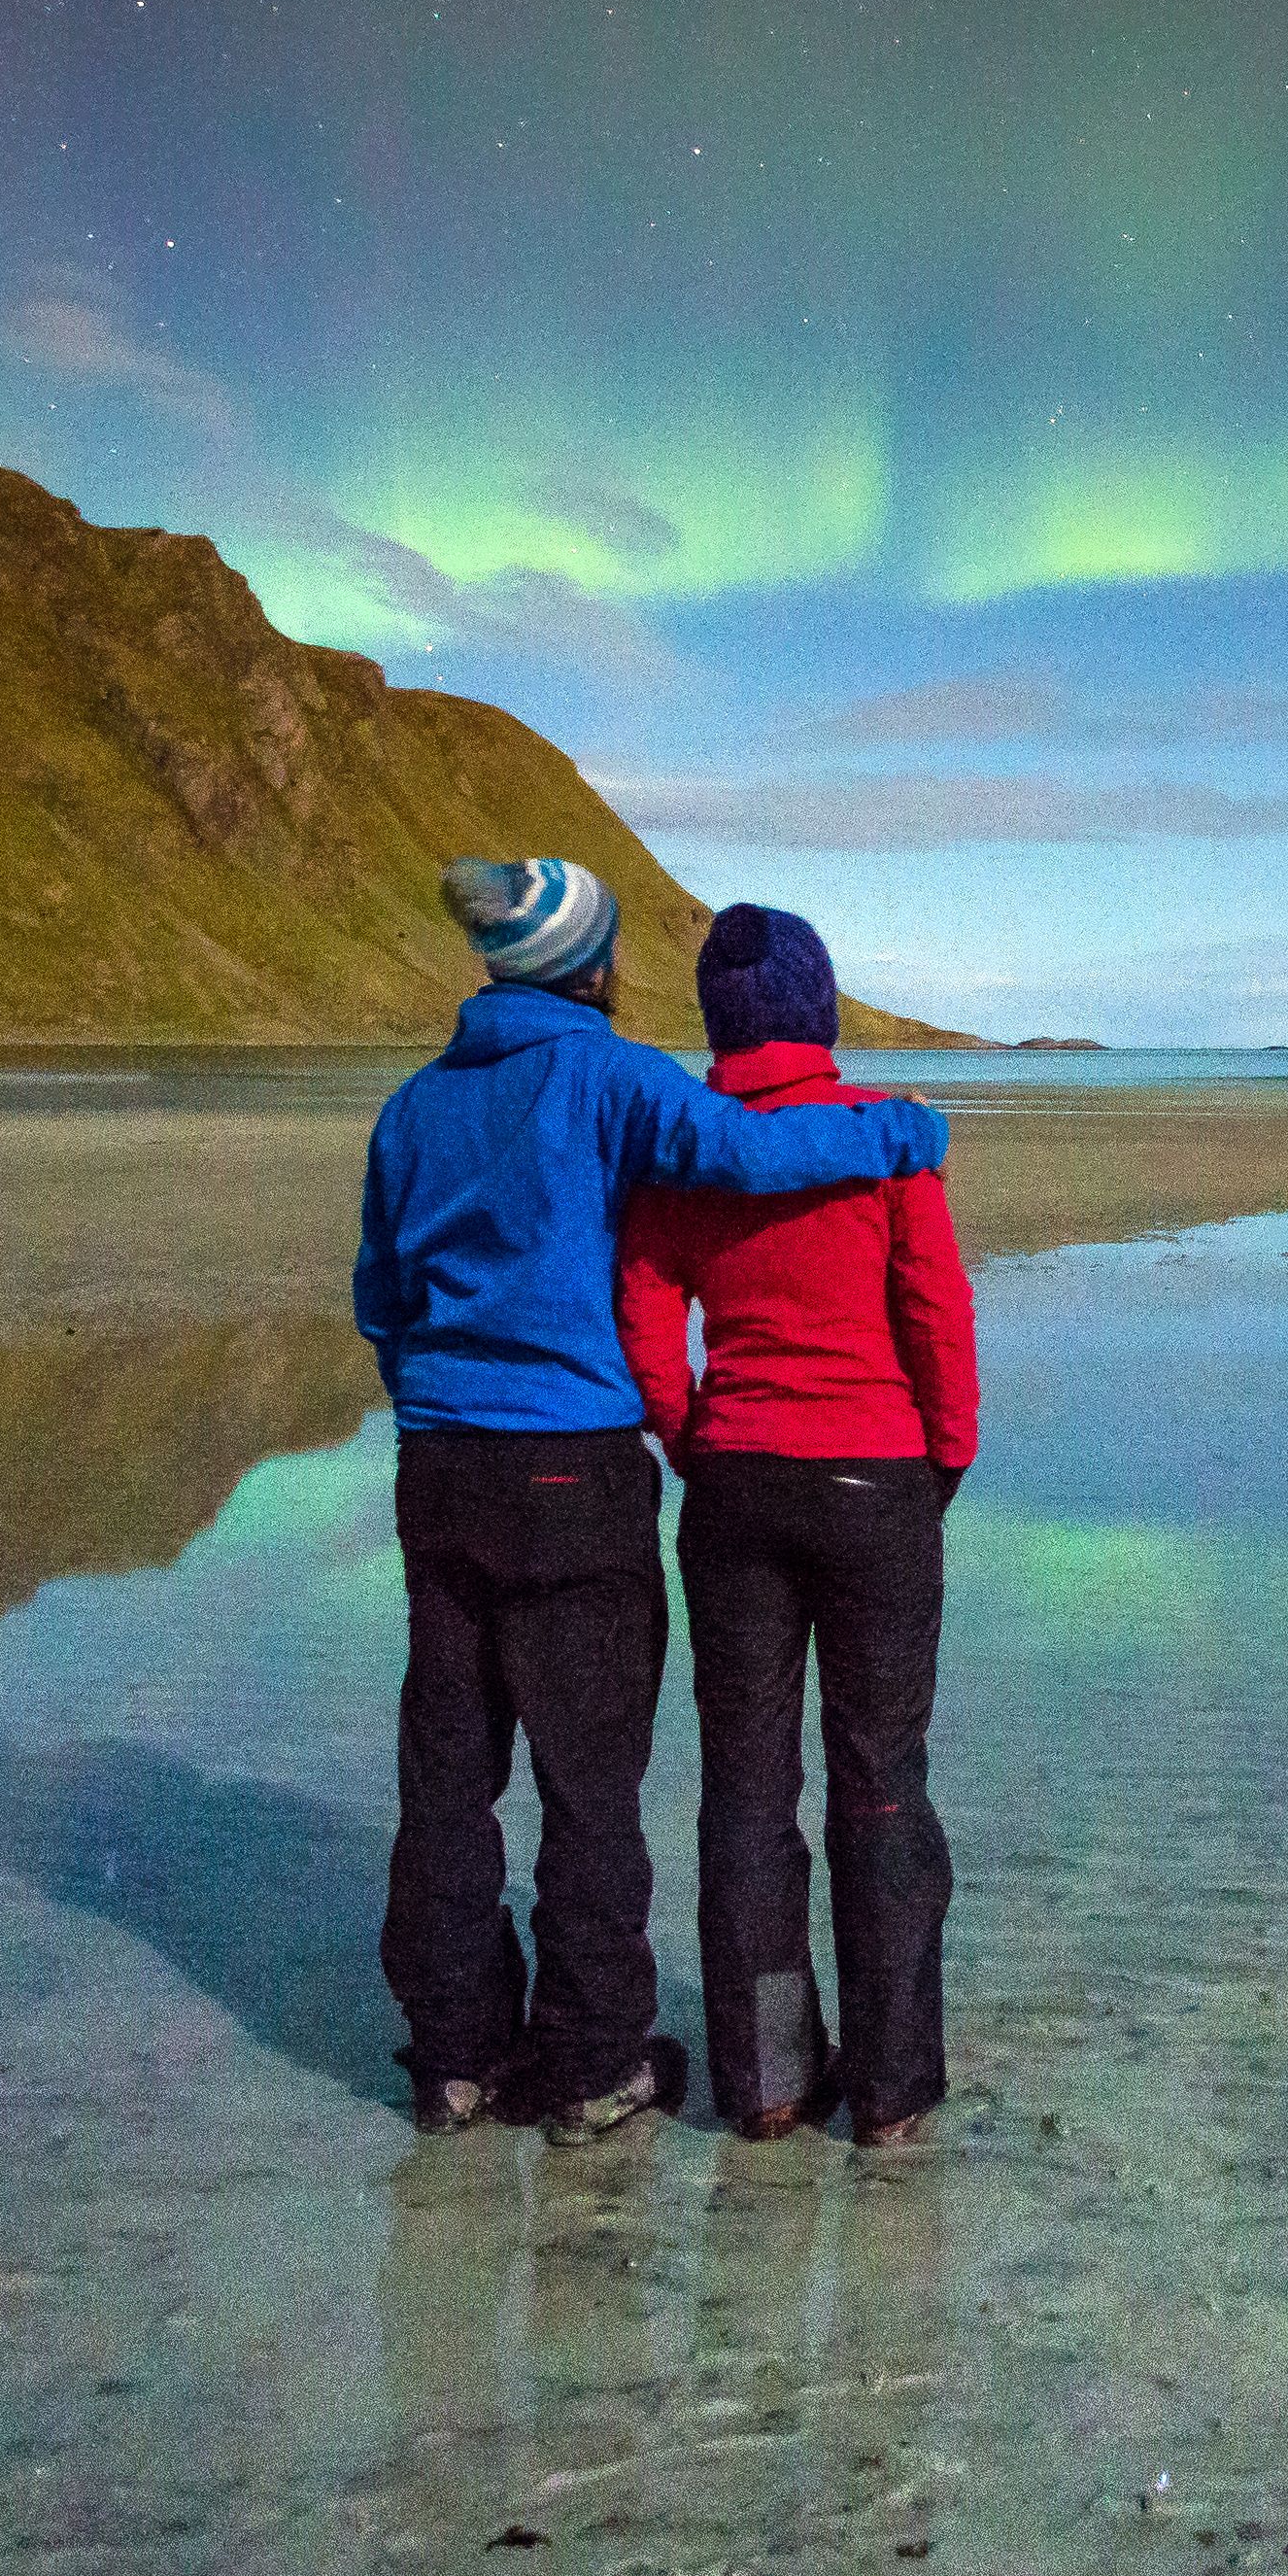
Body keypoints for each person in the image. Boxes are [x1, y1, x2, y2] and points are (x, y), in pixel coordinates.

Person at [356, 857, 951, 2146]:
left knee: (449, 1773)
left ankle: (466, 2062)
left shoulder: (409, 1107)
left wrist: (463, 1400)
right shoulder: (612, 1078)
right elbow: (749, 1149)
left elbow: (382, 1303)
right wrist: (903, 1129)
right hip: (578, 1466)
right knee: (591, 1781)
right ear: (592, 963)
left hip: (444, 1465)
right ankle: (593, 2069)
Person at [615, 902, 975, 2147]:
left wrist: (688, 1430)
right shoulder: (880, 1139)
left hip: (737, 1486)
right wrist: (948, 1450)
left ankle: (767, 2085)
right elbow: (935, 1309)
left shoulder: (687, 1150)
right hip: (875, 1478)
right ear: (817, 1007)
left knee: (748, 1791)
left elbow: (645, 1310)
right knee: (881, 1781)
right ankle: (887, 2091)